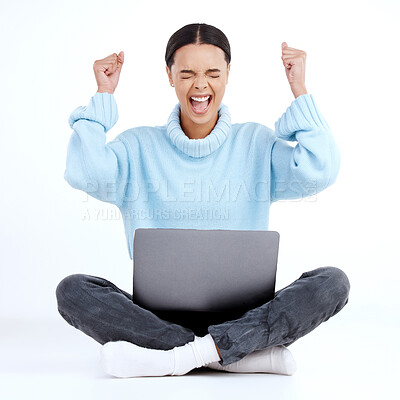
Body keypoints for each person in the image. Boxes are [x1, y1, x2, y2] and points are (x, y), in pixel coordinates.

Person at [56, 23, 350, 378]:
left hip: (245, 315)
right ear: (169, 75)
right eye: (187, 73)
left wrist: (299, 90)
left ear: (228, 74)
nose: (200, 85)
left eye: (213, 73)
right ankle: (233, 353)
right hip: (157, 317)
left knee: (332, 283)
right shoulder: (138, 147)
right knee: (73, 291)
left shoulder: (256, 143)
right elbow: (84, 172)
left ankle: (178, 357)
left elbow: (320, 170)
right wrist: (103, 94)